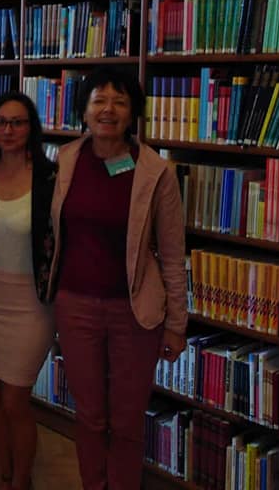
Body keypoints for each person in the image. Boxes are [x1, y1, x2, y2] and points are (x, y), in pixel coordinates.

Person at [45, 67, 188, 490]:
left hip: (134, 312)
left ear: (132, 113)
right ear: (84, 110)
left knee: (126, 420)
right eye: (99, 100)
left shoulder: (156, 171)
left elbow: (173, 255)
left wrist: (177, 324)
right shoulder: (65, 160)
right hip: (75, 307)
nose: (108, 110)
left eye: (119, 102)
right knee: (89, 416)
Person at [0, 91, 57, 490]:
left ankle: (22, 480)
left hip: (32, 304)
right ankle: (4, 471)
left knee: (15, 399)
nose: (8, 130)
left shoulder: (51, 178)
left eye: (18, 122)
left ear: (31, 128)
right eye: (1, 122)